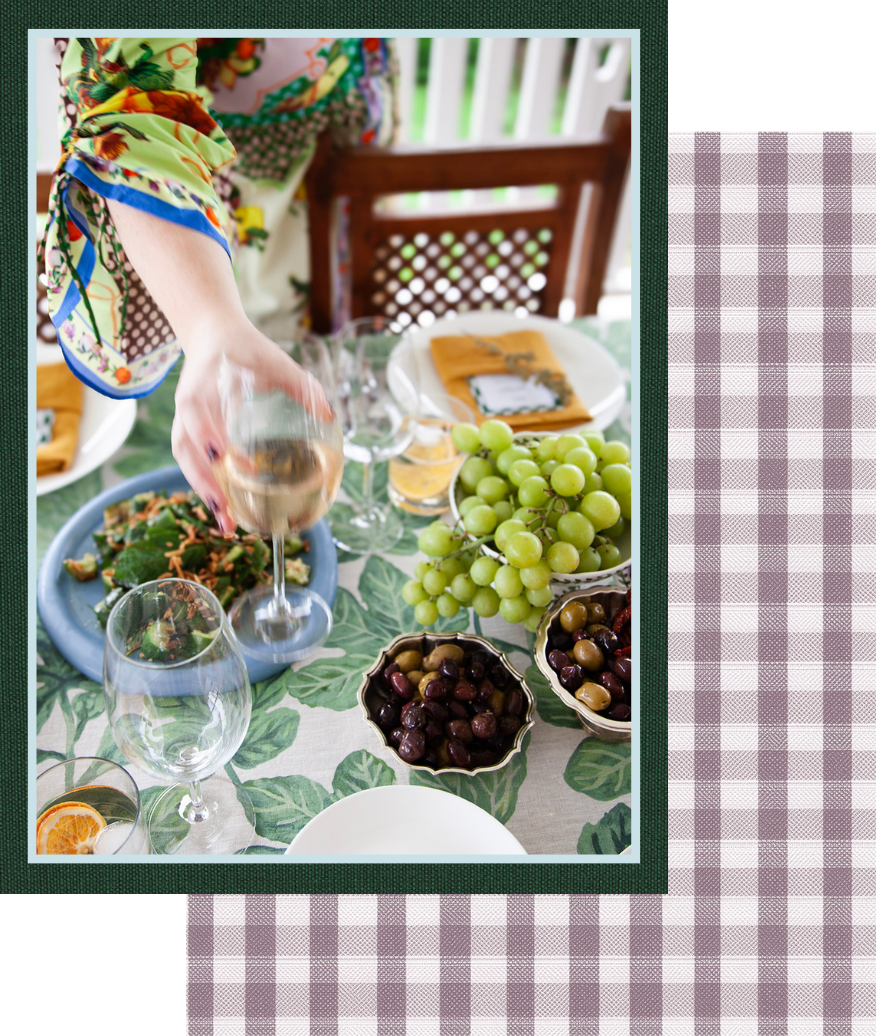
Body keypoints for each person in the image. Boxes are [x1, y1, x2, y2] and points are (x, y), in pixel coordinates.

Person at [37, 37, 397, 534]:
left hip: (326, 147)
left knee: (299, 339)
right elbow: (131, 87)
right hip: (182, 195)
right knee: (228, 389)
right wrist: (211, 330)